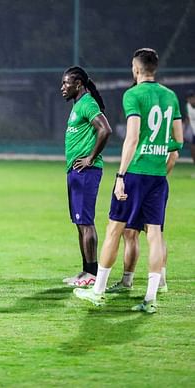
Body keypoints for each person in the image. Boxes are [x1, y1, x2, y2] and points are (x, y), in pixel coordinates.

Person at [73, 48, 184, 313]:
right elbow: (178, 141)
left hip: (134, 173)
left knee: (114, 229)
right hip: (158, 175)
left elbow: (132, 137)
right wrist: (158, 147)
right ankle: (150, 298)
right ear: (154, 69)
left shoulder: (133, 94)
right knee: (154, 234)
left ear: (135, 69)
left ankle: (97, 291)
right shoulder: (170, 96)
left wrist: (121, 175)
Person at [60, 66, 112, 287]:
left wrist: (90, 157)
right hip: (76, 171)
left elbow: (105, 129)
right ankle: (85, 272)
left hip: (86, 171)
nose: (62, 87)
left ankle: (92, 273)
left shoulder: (88, 103)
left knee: (86, 223)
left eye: (66, 83)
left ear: (78, 84)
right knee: (80, 223)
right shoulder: (78, 105)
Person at [106, 151, 178, 293]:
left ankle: (127, 281)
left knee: (130, 232)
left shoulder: (140, 129)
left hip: (136, 179)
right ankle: (160, 281)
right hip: (156, 181)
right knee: (155, 233)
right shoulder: (167, 129)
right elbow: (174, 155)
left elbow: (131, 142)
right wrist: (160, 176)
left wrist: (120, 176)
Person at [183, 90, 195, 164]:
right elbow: (187, 118)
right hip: (194, 132)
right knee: (193, 148)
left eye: (192, 97)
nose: (191, 100)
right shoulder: (187, 106)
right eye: (189, 98)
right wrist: (183, 131)